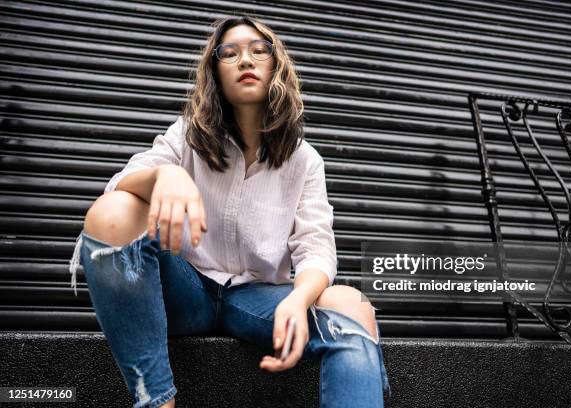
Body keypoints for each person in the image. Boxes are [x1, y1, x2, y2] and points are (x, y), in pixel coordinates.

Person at [68, 15, 391, 408]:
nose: (245, 60)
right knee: (115, 211)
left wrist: (298, 298)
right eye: (230, 53)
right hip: (187, 291)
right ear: (215, 73)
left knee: (351, 305)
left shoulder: (305, 160)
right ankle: (156, 401)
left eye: (259, 51)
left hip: (257, 299)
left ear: (276, 67)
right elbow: (118, 187)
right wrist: (164, 175)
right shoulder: (186, 135)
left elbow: (316, 247)